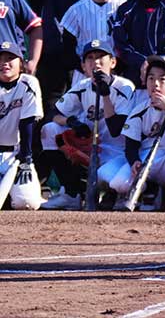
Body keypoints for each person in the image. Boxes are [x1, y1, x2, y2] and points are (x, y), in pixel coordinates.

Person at [40, 40, 134, 210]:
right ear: (83, 66)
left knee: (110, 179)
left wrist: (105, 94)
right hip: (92, 150)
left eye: (100, 57)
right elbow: (53, 114)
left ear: (112, 62)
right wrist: (71, 122)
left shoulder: (125, 86)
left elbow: (116, 130)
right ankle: (72, 193)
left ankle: (113, 195)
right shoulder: (82, 86)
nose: (95, 62)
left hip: (117, 153)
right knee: (50, 130)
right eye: (90, 58)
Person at [108, 55, 165, 212]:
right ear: (145, 82)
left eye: (162, 80)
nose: (155, 84)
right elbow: (131, 146)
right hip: (146, 161)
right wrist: (134, 161)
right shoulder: (139, 109)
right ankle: (149, 190)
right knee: (119, 184)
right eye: (151, 78)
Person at [60, 0, 126, 80]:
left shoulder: (123, 7)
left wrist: (118, 69)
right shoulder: (76, 10)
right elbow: (67, 48)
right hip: (84, 75)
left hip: (116, 75)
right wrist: (84, 69)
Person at [0, 40, 44, 210]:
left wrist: (26, 158)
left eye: (10, 58)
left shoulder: (28, 83)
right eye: (1, 58)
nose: (4, 63)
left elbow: (27, 123)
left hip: (15, 156)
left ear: (21, 62)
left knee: (27, 202)